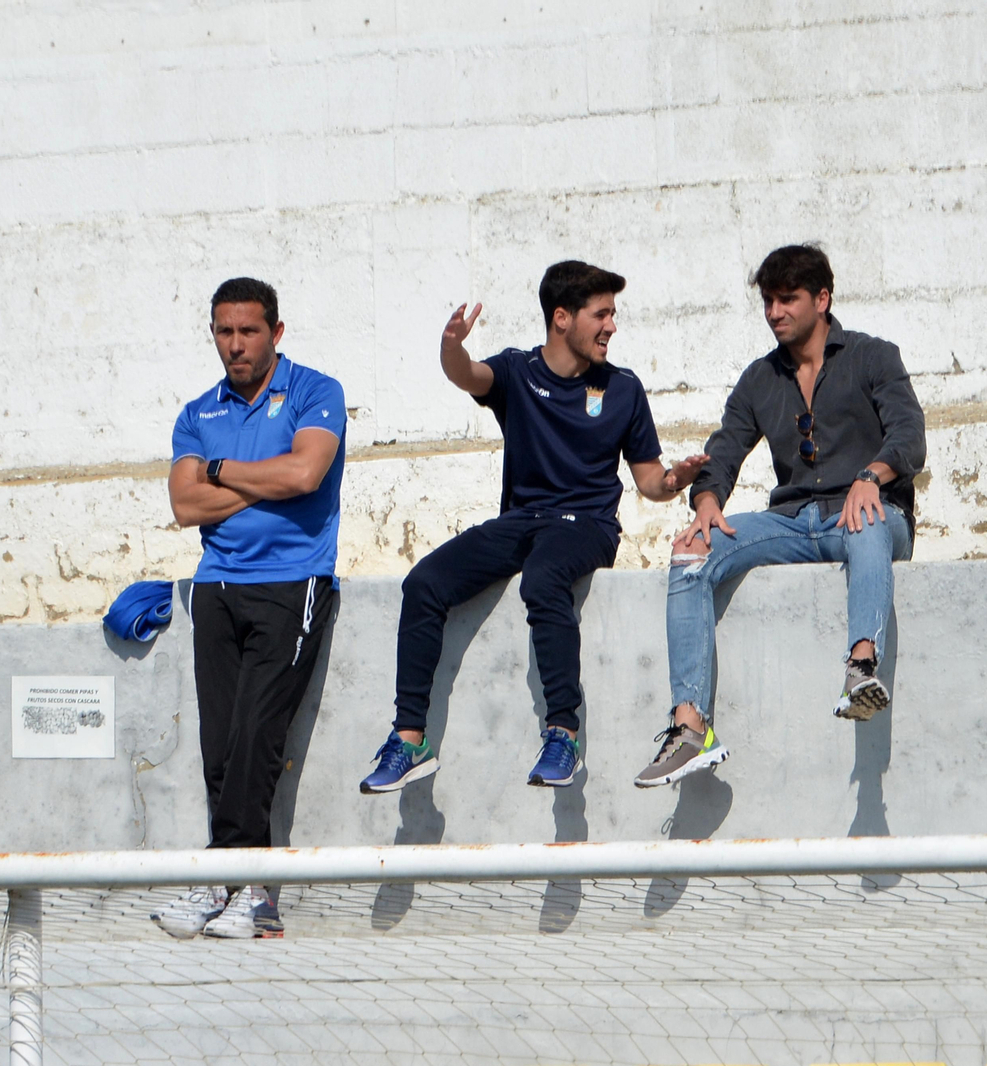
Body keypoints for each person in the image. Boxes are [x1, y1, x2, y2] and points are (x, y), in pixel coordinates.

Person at [359, 260, 709, 793]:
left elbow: (649, 482)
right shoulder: (518, 373)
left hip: (586, 525)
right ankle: (409, 741)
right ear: (562, 318)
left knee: (542, 579)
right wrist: (451, 346)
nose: (612, 326)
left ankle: (563, 734)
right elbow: (467, 374)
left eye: (613, 313)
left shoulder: (622, 389)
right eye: (602, 314)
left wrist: (674, 479)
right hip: (521, 521)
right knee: (423, 584)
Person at [634, 244, 927, 788]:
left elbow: (909, 436)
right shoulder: (758, 379)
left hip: (868, 514)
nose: (774, 312)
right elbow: (722, 454)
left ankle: (861, 670)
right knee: (690, 550)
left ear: (823, 298)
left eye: (787, 299)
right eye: (768, 301)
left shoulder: (873, 356)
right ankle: (690, 727)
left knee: (865, 519)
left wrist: (872, 476)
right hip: (794, 521)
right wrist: (705, 503)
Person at [150, 277, 346, 939]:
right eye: (224, 332)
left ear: (276, 333)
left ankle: (242, 887)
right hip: (217, 588)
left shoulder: (317, 393)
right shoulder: (197, 412)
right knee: (219, 748)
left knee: (260, 735)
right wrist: (262, 477)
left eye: (249, 331)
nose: (236, 345)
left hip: (294, 583)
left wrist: (221, 471)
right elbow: (183, 506)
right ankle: (237, 887)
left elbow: (305, 475)